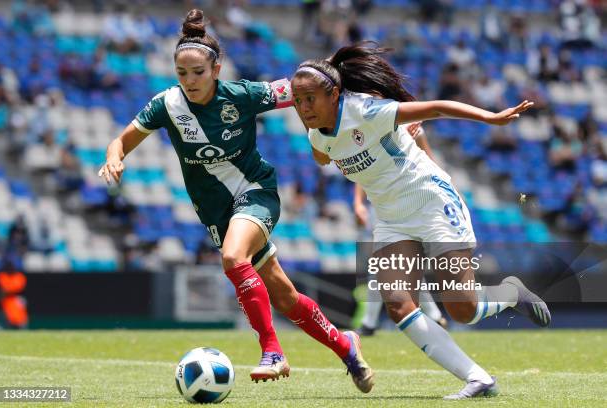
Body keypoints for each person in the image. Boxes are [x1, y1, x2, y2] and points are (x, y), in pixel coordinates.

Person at [98, 9, 373, 392]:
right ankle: (346, 346)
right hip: (215, 212)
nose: (190, 81)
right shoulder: (168, 105)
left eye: (198, 72)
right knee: (285, 296)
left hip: (255, 192)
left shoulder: (242, 95)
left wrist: (345, 94)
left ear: (216, 68)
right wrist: (114, 157)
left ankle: (272, 351)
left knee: (232, 258)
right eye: (182, 74)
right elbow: (121, 140)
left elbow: (298, 89)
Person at [290, 43, 551, 400]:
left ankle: (511, 293)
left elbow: (438, 108)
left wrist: (491, 118)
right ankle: (479, 379)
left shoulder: (366, 110)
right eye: (297, 100)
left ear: (334, 93)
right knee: (397, 302)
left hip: (430, 200)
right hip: (391, 218)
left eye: (310, 99)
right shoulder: (316, 133)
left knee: (462, 309)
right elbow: (323, 153)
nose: (304, 108)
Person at [354, 123, 447, 336]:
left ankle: (369, 324)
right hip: (384, 205)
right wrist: (358, 203)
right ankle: (434, 317)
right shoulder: (376, 128)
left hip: (412, 204)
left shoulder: (414, 129)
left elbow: (431, 163)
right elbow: (364, 171)